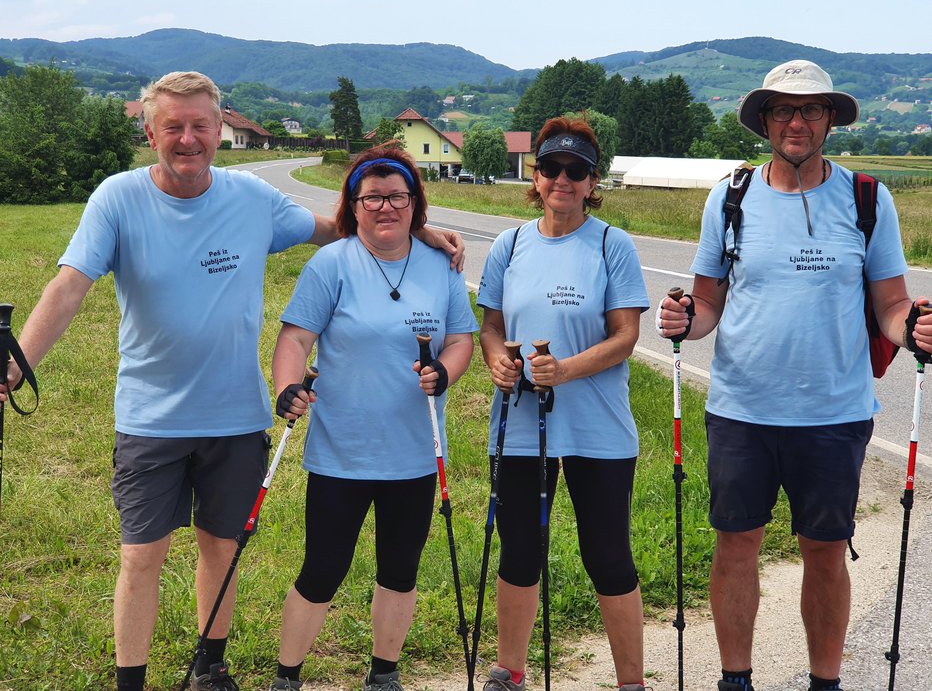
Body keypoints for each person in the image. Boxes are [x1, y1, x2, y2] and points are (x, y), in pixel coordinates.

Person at [0, 72, 463, 691]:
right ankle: (129, 681)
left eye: (200, 126)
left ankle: (209, 668)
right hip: (150, 416)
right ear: (150, 130)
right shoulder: (117, 198)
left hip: (237, 416)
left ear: (220, 130)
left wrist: (416, 229)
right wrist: (17, 362)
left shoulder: (252, 199)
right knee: (142, 556)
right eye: (173, 127)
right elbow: (68, 287)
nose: (187, 139)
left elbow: (337, 226)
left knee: (221, 548)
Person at [657, 60, 932, 691]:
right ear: (765, 121)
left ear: (830, 119)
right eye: (783, 110)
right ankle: (735, 680)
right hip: (741, 411)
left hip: (834, 415)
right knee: (735, 549)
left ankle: (824, 682)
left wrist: (912, 328)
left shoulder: (867, 198)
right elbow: (709, 306)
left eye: (810, 110)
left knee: (826, 554)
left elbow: (890, 306)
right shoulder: (730, 197)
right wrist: (683, 317)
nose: (797, 122)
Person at [266, 146, 478, 691]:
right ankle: (288, 675)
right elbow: (295, 337)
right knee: (323, 569)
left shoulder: (441, 264)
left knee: (400, 571)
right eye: (373, 197)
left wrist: (446, 374)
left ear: (415, 204)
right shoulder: (331, 263)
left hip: (414, 452)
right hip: (343, 451)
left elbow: (460, 340)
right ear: (354, 205)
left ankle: (384, 673)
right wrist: (287, 385)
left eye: (397, 197)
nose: (386, 207)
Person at [476, 116, 650, 691]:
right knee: (520, 552)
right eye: (551, 168)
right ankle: (510, 670)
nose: (562, 180)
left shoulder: (610, 243)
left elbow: (627, 336)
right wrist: (499, 360)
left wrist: (565, 370)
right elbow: (493, 326)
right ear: (536, 173)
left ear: (592, 181)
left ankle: (631, 682)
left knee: (607, 556)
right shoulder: (510, 243)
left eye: (576, 171)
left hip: (598, 428)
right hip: (520, 426)